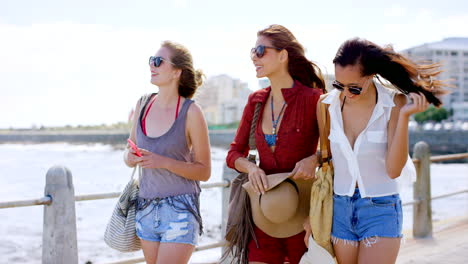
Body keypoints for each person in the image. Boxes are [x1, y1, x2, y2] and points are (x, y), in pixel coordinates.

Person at [318, 38, 447, 264]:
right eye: (339, 85)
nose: (345, 93)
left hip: (380, 207)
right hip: (339, 207)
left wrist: (405, 117)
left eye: (354, 87)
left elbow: (394, 169)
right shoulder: (326, 106)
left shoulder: (393, 103)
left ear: (370, 76)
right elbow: (324, 156)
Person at [226, 24, 325, 264]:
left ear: (283, 55)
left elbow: (335, 151)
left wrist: (315, 159)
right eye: (253, 50)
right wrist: (251, 168)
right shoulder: (256, 101)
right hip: (263, 211)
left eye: (261, 50)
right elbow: (233, 153)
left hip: (303, 214)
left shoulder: (314, 99)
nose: (253, 57)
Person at [124, 40, 211, 264]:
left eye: (158, 61)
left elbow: (204, 171)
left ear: (176, 72)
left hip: (179, 210)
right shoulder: (142, 104)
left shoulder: (191, 112)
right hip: (145, 207)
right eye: (151, 61)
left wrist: (163, 161)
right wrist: (130, 157)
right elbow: (128, 152)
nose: (152, 66)